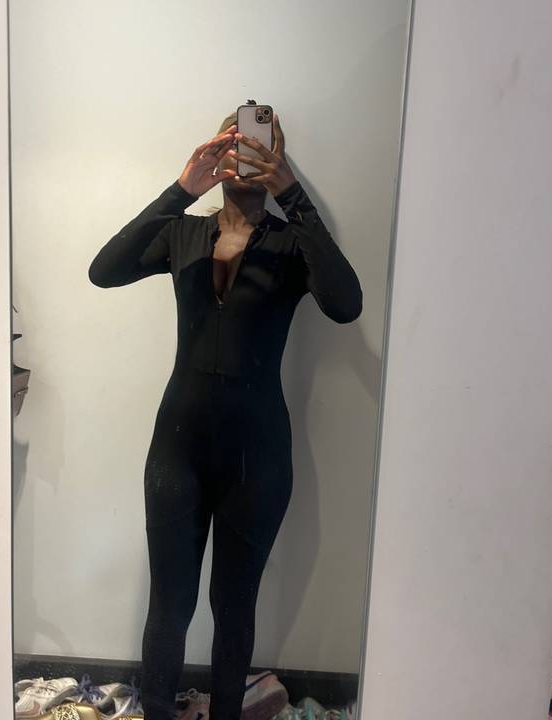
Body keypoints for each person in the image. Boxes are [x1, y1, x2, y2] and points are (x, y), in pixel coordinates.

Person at [88, 110, 362, 720]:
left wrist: (293, 195)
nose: (248, 155)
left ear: (277, 158)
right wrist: (182, 189)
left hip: (257, 460)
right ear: (219, 152)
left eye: (264, 145)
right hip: (177, 452)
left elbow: (347, 305)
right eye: (237, 142)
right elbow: (103, 271)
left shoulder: (292, 245)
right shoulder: (184, 233)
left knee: (234, 608)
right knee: (170, 604)